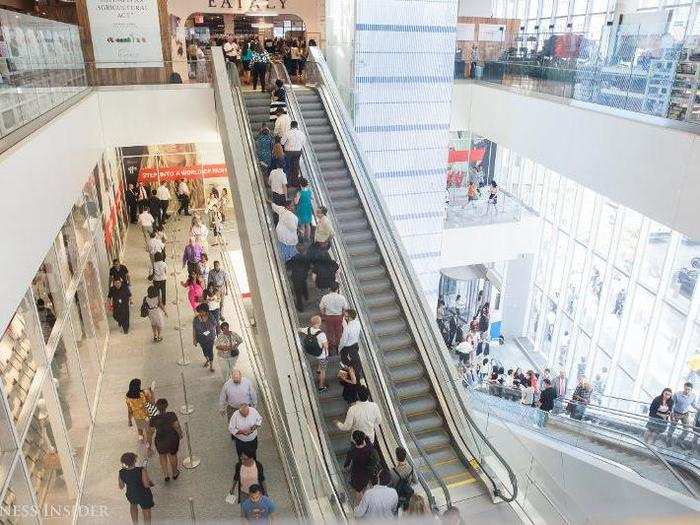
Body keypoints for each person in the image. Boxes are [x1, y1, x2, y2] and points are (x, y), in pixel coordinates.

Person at [149, 398, 182, 482]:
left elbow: (151, 432)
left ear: (157, 407)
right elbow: (176, 425)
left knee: (162, 455)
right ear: (166, 406)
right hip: (172, 438)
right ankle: (174, 473)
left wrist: (148, 445)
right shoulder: (171, 415)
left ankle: (166, 474)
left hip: (160, 440)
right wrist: (180, 433)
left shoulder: (154, 419)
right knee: (172, 455)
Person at [344, 430, 380, 504]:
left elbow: (346, 465)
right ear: (363, 439)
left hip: (356, 475)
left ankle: (361, 506)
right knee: (367, 488)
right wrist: (366, 438)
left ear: (354, 441)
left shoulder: (352, 451)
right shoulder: (369, 449)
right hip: (367, 473)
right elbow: (370, 444)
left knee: (358, 491)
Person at [118, 452, 154, 524]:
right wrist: (151, 483)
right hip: (144, 495)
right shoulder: (141, 470)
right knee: (146, 511)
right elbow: (146, 484)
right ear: (134, 461)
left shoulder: (121, 472)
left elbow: (121, 486)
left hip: (131, 494)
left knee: (133, 506)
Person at [300, 315, 329, 391]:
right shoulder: (322, 334)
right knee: (323, 371)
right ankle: (321, 386)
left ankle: (318, 370)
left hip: (312, 352)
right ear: (319, 323)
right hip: (321, 354)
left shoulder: (308, 329)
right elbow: (326, 346)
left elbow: (299, 330)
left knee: (320, 361)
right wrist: (327, 354)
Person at [319, 282, 348, 355]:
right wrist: (342, 316)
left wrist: (324, 316)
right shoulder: (342, 297)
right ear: (337, 289)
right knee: (339, 333)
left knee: (329, 333)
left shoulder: (325, 297)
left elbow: (322, 308)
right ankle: (339, 348)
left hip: (328, 317)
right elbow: (345, 308)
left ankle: (331, 349)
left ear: (329, 289)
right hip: (338, 317)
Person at [125, 378, 154, 449]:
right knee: (148, 433)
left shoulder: (127, 397)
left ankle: (141, 438)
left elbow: (129, 410)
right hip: (146, 416)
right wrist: (151, 393)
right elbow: (151, 402)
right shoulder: (143, 394)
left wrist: (129, 420)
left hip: (136, 416)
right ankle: (148, 447)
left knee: (140, 428)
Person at [666, 382, 697, 448]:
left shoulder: (693, 396)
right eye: (686, 389)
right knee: (672, 427)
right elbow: (672, 405)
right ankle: (668, 440)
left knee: (687, 429)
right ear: (684, 387)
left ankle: (679, 441)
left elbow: (693, 404)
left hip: (685, 414)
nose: (687, 391)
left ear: (691, 390)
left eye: (689, 389)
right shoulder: (677, 394)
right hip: (676, 412)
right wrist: (672, 414)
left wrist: (698, 409)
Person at [281, 121, 305, 189]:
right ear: (297, 126)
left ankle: (288, 183)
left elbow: (282, 142)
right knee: (295, 167)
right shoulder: (301, 133)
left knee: (287, 167)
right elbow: (303, 142)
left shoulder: (287, 133)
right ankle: (294, 183)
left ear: (291, 126)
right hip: (298, 152)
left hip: (288, 152)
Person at [193, 303, 217, 371]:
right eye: (200, 311)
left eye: (202, 311)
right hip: (201, 338)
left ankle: (211, 365)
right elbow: (194, 329)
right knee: (204, 350)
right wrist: (194, 339)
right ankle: (207, 360)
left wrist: (208, 329)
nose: (201, 313)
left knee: (210, 351)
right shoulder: (196, 319)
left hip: (210, 337)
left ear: (206, 311)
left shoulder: (210, 316)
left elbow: (214, 324)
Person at [287, 243, 310, 312]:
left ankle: (300, 308)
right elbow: (308, 267)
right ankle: (306, 296)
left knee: (298, 293)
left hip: (296, 277)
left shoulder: (294, 258)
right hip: (303, 276)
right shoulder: (306, 258)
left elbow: (288, 266)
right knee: (304, 285)